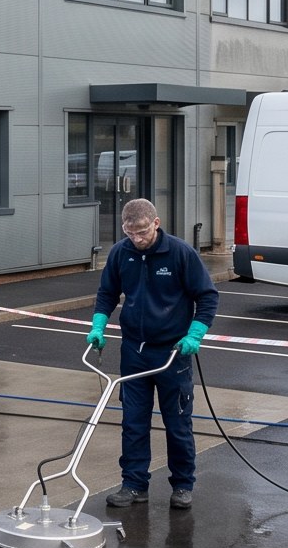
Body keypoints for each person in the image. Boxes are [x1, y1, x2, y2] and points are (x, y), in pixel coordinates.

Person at [86, 198, 219, 510]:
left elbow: (207, 296)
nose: (138, 239)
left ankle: (183, 484)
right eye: (131, 233)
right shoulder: (122, 253)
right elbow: (107, 293)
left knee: (177, 422)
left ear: (156, 224)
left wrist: (195, 334)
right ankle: (134, 484)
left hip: (172, 353)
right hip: (134, 351)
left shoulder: (180, 253)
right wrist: (98, 326)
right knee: (133, 421)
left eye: (143, 232)